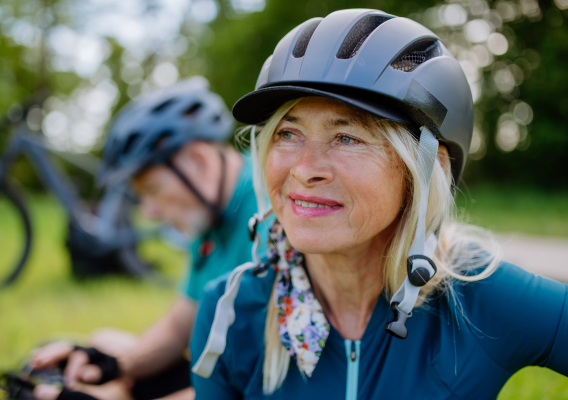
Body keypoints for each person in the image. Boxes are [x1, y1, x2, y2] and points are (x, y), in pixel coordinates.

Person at [190, 9, 568, 399]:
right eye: (288, 133)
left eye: (346, 137)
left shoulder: (479, 298)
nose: (304, 170)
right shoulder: (230, 312)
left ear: (425, 167)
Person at [29, 77, 268, 400]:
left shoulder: (272, 209)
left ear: (199, 161)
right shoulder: (209, 218)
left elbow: (258, 388)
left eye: (153, 190)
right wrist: (112, 366)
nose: (150, 212)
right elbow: (178, 326)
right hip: (225, 374)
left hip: (261, 384)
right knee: (105, 342)